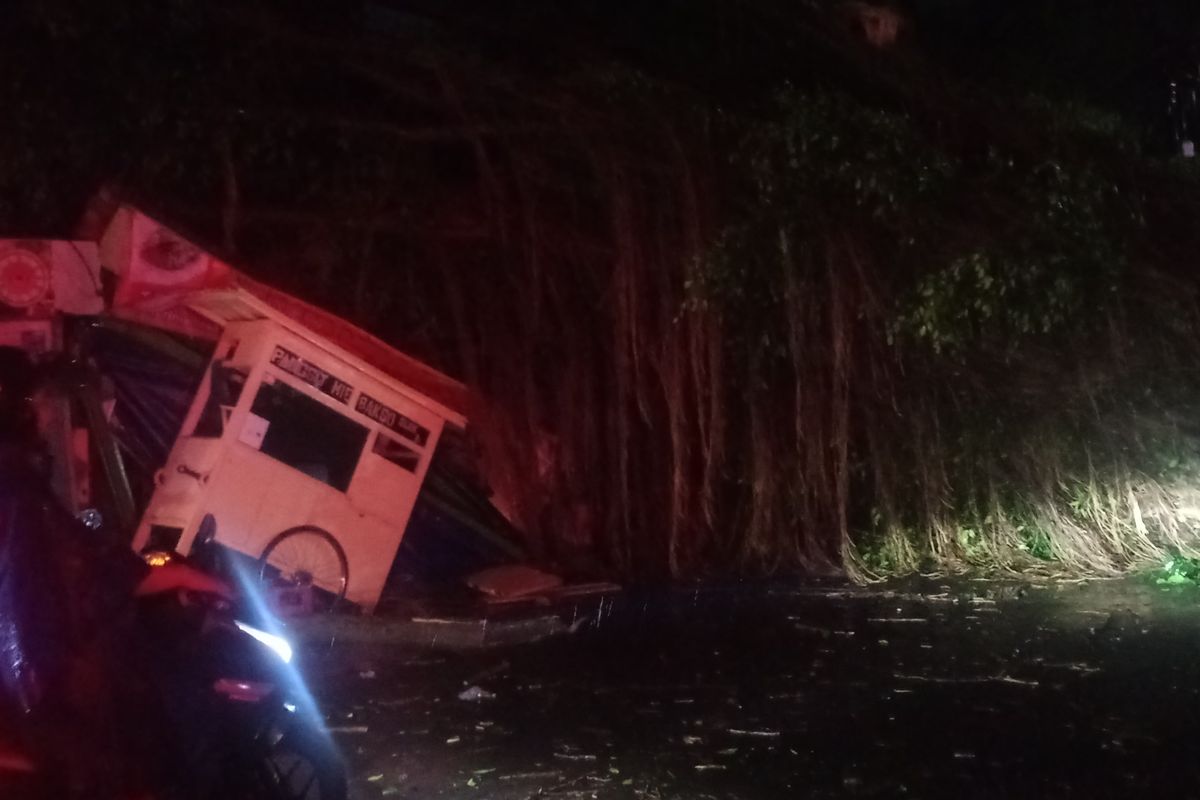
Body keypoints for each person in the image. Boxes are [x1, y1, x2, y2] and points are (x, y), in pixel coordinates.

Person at [0, 346, 158, 798]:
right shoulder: (16, 487)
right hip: (32, 686)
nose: (51, 415)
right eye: (43, 402)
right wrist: (178, 578)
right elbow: (84, 567)